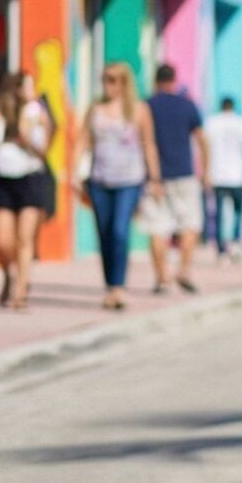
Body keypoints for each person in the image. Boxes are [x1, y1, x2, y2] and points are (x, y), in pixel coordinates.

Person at [77, 63, 160, 310]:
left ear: (125, 82)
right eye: (105, 79)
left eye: (113, 80)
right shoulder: (96, 109)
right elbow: (83, 141)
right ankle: (109, 286)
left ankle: (119, 287)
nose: (108, 85)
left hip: (130, 180)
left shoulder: (139, 110)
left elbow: (149, 144)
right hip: (99, 180)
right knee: (104, 234)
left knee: (119, 230)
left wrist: (155, 179)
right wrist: (73, 174)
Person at [0, 67, 53, 310]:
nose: (32, 91)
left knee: (25, 238)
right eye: (28, 86)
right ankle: (8, 274)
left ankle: (21, 291)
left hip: (30, 178)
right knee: (2, 241)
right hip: (4, 179)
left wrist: (28, 133)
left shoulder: (37, 114)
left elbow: (44, 151)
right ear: (15, 89)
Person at [142, 61, 205, 294]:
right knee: (190, 224)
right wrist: (205, 171)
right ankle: (184, 270)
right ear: (173, 80)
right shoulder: (187, 105)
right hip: (185, 174)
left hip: (154, 177)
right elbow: (202, 139)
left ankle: (162, 279)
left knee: (157, 228)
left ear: (155, 81)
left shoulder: (146, 106)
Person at [203, 96, 242, 258]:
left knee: (219, 212)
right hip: (238, 174)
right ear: (233, 107)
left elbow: (205, 148)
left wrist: (206, 172)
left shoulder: (211, 122)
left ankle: (220, 247)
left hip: (217, 174)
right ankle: (235, 243)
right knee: (238, 211)